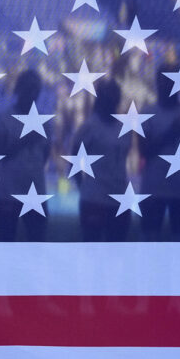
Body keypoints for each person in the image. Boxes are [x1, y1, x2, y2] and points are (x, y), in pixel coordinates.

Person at [140, 64, 180, 241]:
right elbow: (144, 151)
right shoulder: (146, 113)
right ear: (156, 82)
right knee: (150, 247)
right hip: (154, 189)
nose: (166, 84)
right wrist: (172, 132)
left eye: (171, 80)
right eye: (163, 80)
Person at [0, 70, 50, 241]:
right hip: (7, 191)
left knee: (37, 242)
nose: (33, 93)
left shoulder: (44, 120)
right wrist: (25, 140)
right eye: (29, 88)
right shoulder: (3, 118)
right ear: (19, 89)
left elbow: (45, 154)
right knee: (6, 242)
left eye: (36, 89)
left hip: (35, 191)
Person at [72, 79, 132, 241]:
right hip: (94, 199)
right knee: (92, 254)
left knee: (117, 256)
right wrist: (84, 189)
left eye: (114, 95)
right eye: (107, 95)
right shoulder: (89, 127)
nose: (111, 99)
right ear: (100, 98)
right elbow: (74, 160)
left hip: (119, 199)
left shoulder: (124, 128)